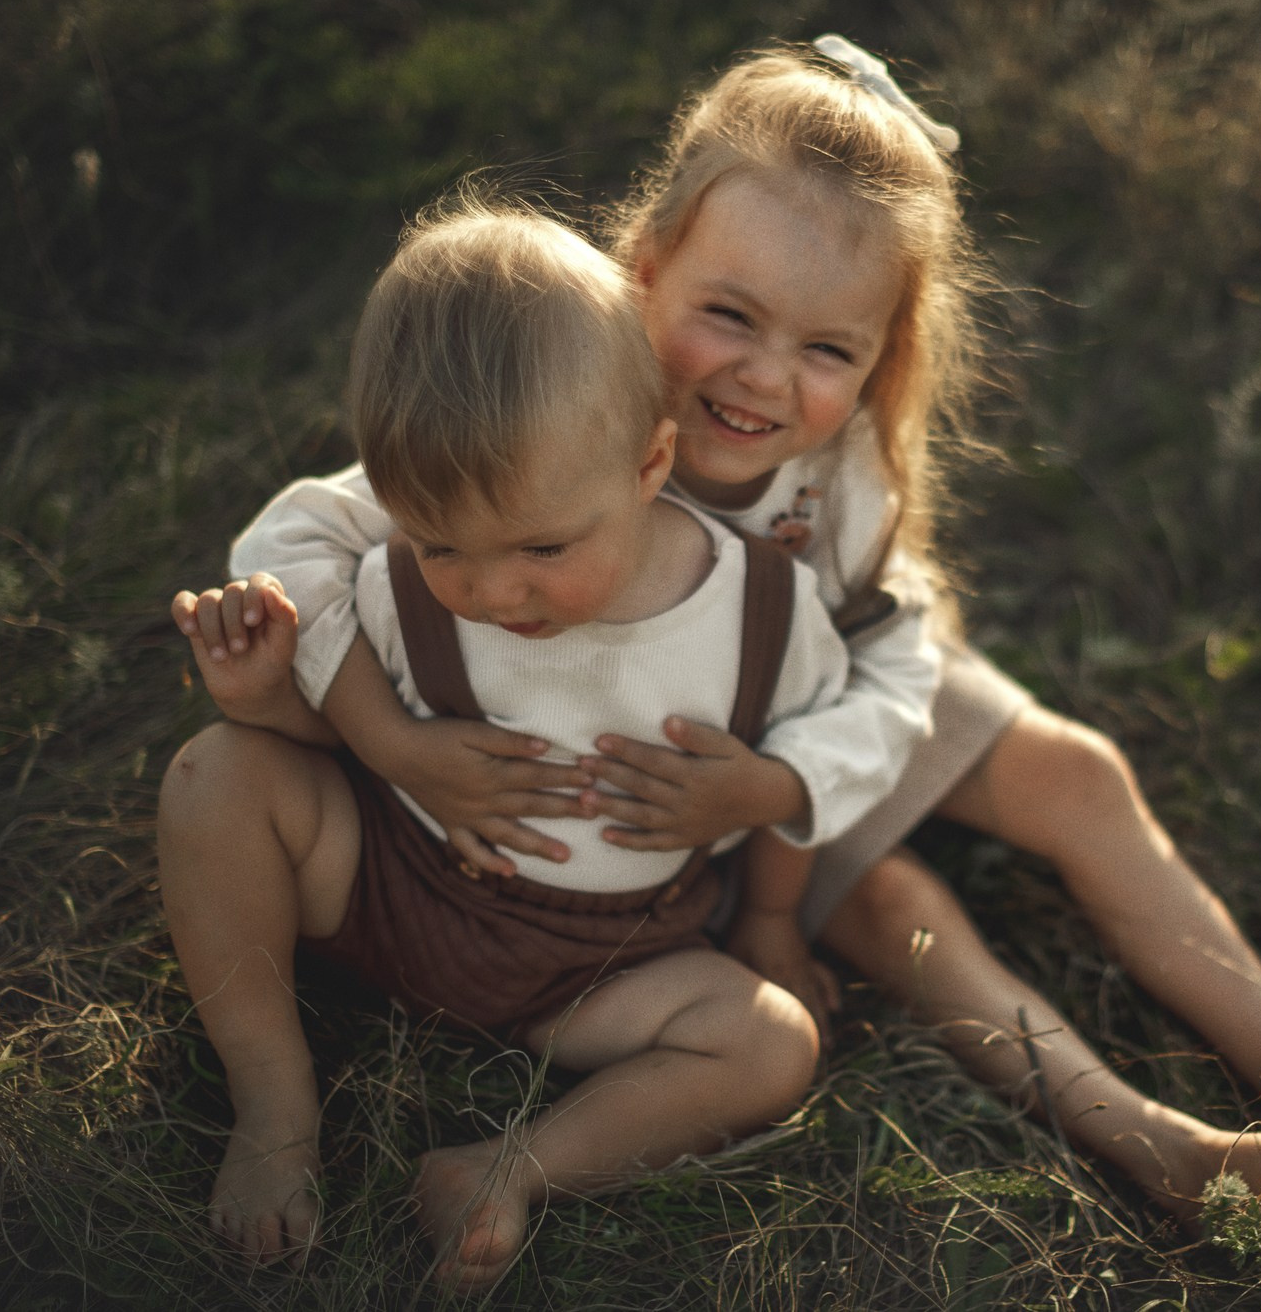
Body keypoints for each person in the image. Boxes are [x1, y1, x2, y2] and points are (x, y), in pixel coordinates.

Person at [227, 39, 1261, 1237]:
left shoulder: (838, 474)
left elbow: (890, 657)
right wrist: (389, 731)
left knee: (1081, 774)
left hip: (812, 699)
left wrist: (791, 778)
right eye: (728, 315)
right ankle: (1154, 1139)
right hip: (677, 743)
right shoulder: (559, 397)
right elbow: (319, 531)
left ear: (880, 355)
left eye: (826, 347)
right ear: (643, 266)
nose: (766, 380)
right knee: (899, 897)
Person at [158, 199, 854, 1287]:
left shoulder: (759, 612)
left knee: (769, 1041)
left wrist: (768, 914)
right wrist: (286, 709)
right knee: (214, 777)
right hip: (392, 882)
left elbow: (803, 763)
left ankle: (509, 1166)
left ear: (649, 464)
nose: (490, 591)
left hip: (609, 965)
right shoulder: (391, 585)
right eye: (442, 545)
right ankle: (275, 1101)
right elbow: (322, 718)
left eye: (540, 545)